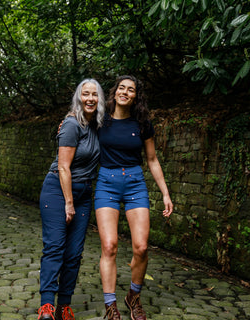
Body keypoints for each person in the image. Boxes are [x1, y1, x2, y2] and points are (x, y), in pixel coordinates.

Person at [94, 75, 174, 320]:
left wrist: (165, 193)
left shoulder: (142, 124)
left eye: (131, 90)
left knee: (141, 247)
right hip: (106, 183)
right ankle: (110, 305)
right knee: (109, 246)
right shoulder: (99, 120)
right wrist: (64, 124)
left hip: (135, 184)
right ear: (114, 92)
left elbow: (152, 159)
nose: (125, 93)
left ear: (136, 96)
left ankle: (133, 297)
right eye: (121, 88)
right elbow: (77, 123)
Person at [38, 79, 105, 320]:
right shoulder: (71, 124)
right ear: (78, 98)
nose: (90, 99)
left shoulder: (98, 125)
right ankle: (46, 305)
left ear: (100, 99)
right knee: (55, 247)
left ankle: (63, 305)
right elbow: (64, 167)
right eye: (85, 94)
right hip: (58, 191)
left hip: (84, 194)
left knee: (74, 253)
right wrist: (68, 203)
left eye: (94, 95)